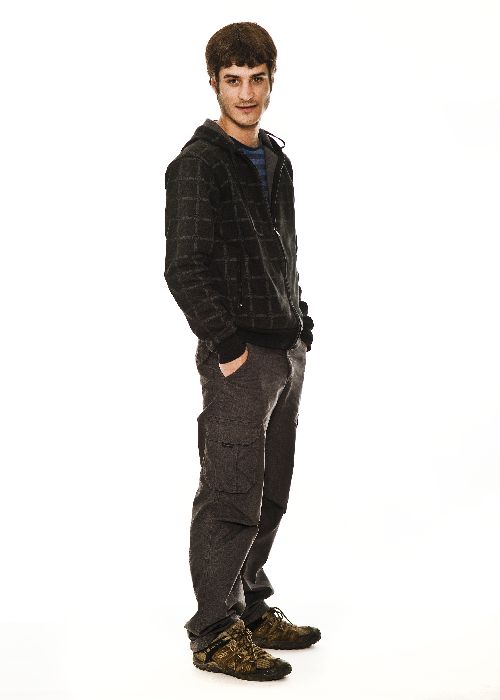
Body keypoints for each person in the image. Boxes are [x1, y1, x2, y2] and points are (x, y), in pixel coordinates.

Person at [164, 21, 320, 682]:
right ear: (214, 83)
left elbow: (283, 254)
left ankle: (250, 606)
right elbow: (183, 267)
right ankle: (213, 632)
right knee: (230, 494)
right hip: (240, 359)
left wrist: (301, 320)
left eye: (257, 79)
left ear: (271, 80)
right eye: (234, 80)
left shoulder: (276, 160)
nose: (247, 93)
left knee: (270, 491)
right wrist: (227, 346)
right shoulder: (198, 164)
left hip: (285, 351)